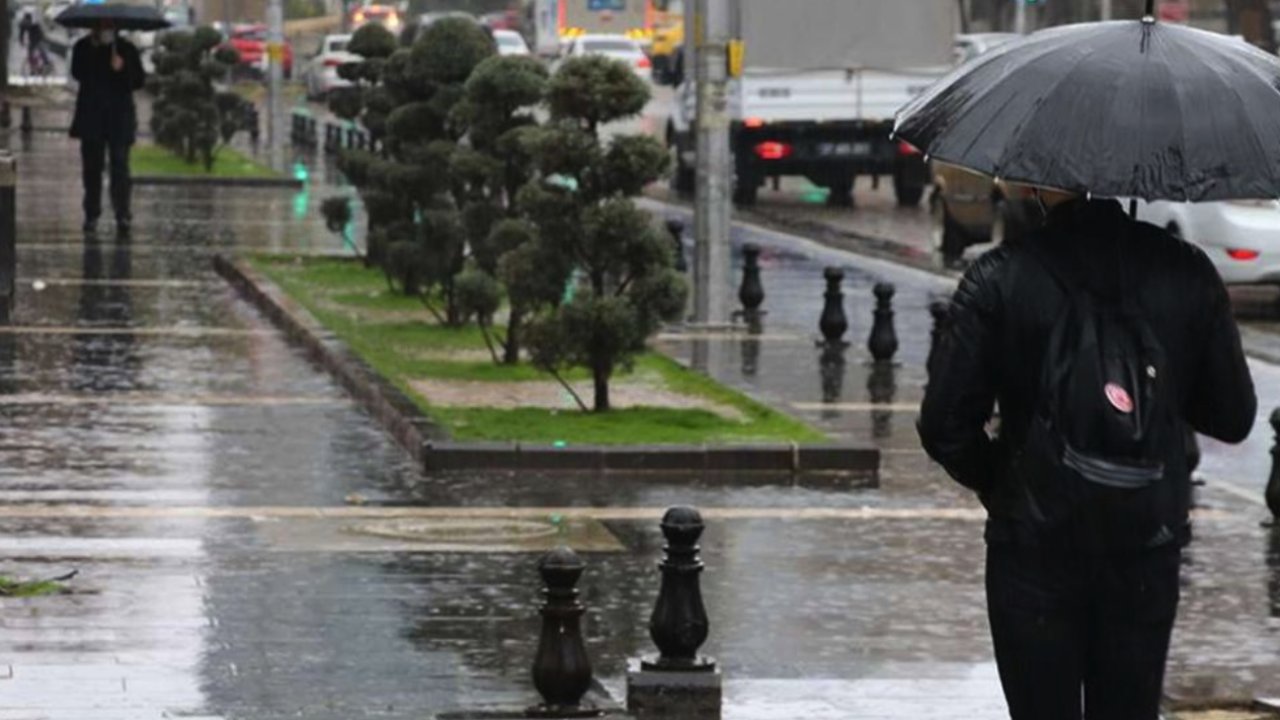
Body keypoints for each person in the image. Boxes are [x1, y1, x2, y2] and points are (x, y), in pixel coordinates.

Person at [918, 189, 1256, 720]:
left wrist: (1006, 483)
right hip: (1145, 544)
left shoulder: (1000, 277)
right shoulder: (1187, 272)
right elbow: (1233, 417)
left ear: (1039, 186)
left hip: (1033, 548)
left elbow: (944, 424)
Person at [70, 22, 146, 235]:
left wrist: (122, 68)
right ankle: (91, 213)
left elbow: (138, 80)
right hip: (92, 117)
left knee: (120, 166)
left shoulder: (126, 49)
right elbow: (77, 72)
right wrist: (95, 54)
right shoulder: (83, 47)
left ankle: (122, 213)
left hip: (119, 118)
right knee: (92, 168)